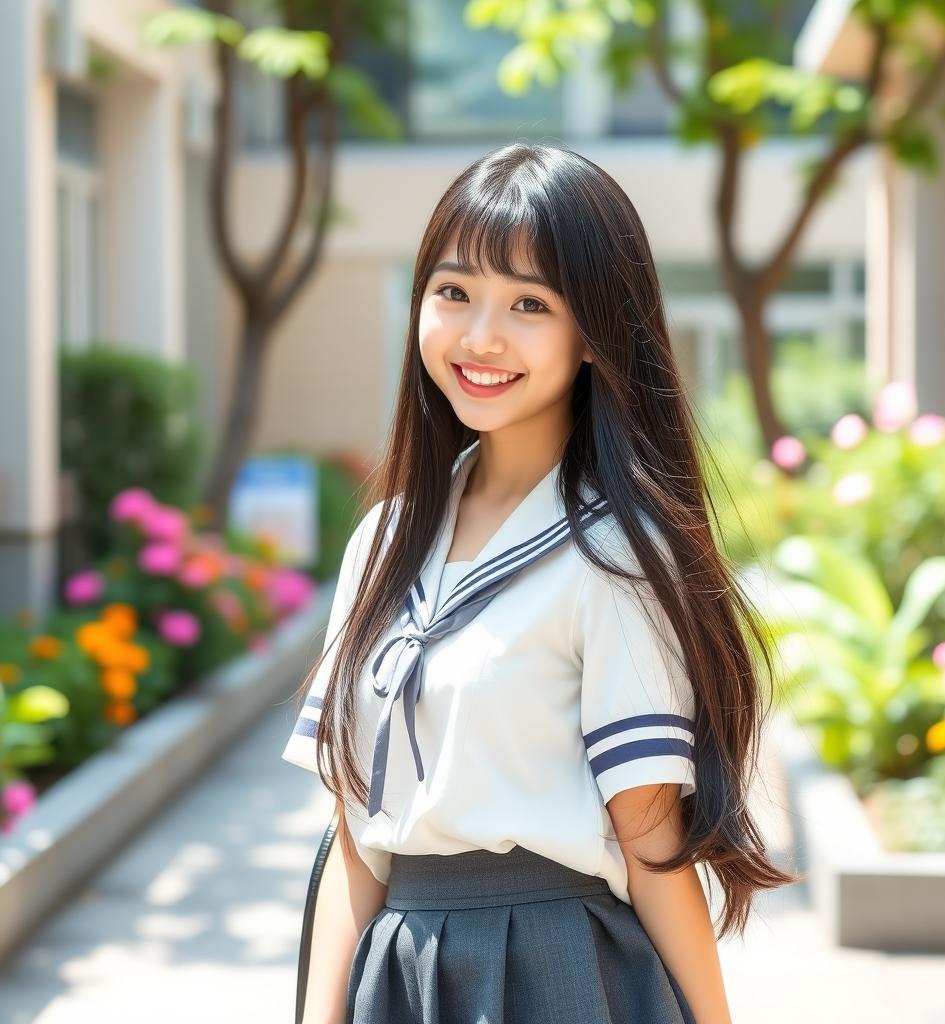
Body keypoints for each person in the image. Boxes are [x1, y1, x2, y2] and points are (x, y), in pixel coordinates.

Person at [281, 141, 796, 1024]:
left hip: (558, 971)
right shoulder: (383, 542)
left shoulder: (615, 556)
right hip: (398, 975)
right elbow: (355, 842)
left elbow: (649, 839)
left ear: (595, 330)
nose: (481, 337)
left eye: (530, 304)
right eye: (454, 293)